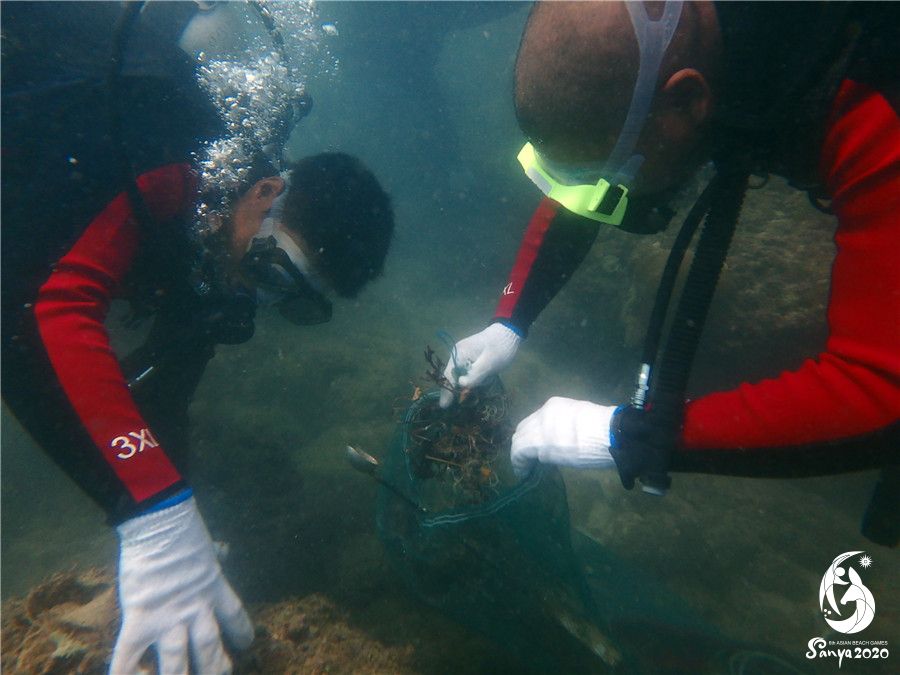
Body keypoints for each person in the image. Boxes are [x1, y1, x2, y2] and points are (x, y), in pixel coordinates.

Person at [2, 3, 394, 673]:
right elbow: (45, 316)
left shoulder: (218, 235)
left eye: (291, 302)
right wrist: (151, 508)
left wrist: (183, 521)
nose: (253, 293)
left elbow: (167, 395)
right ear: (265, 191)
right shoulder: (171, 169)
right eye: (272, 268)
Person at [439, 1, 899, 534]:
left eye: (618, 174)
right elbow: (594, 167)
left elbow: (884, 391)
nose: (611, 196)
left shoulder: (875, 95)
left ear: (687, 101)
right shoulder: (704, 41)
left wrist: (627, 435)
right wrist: (510, 320)